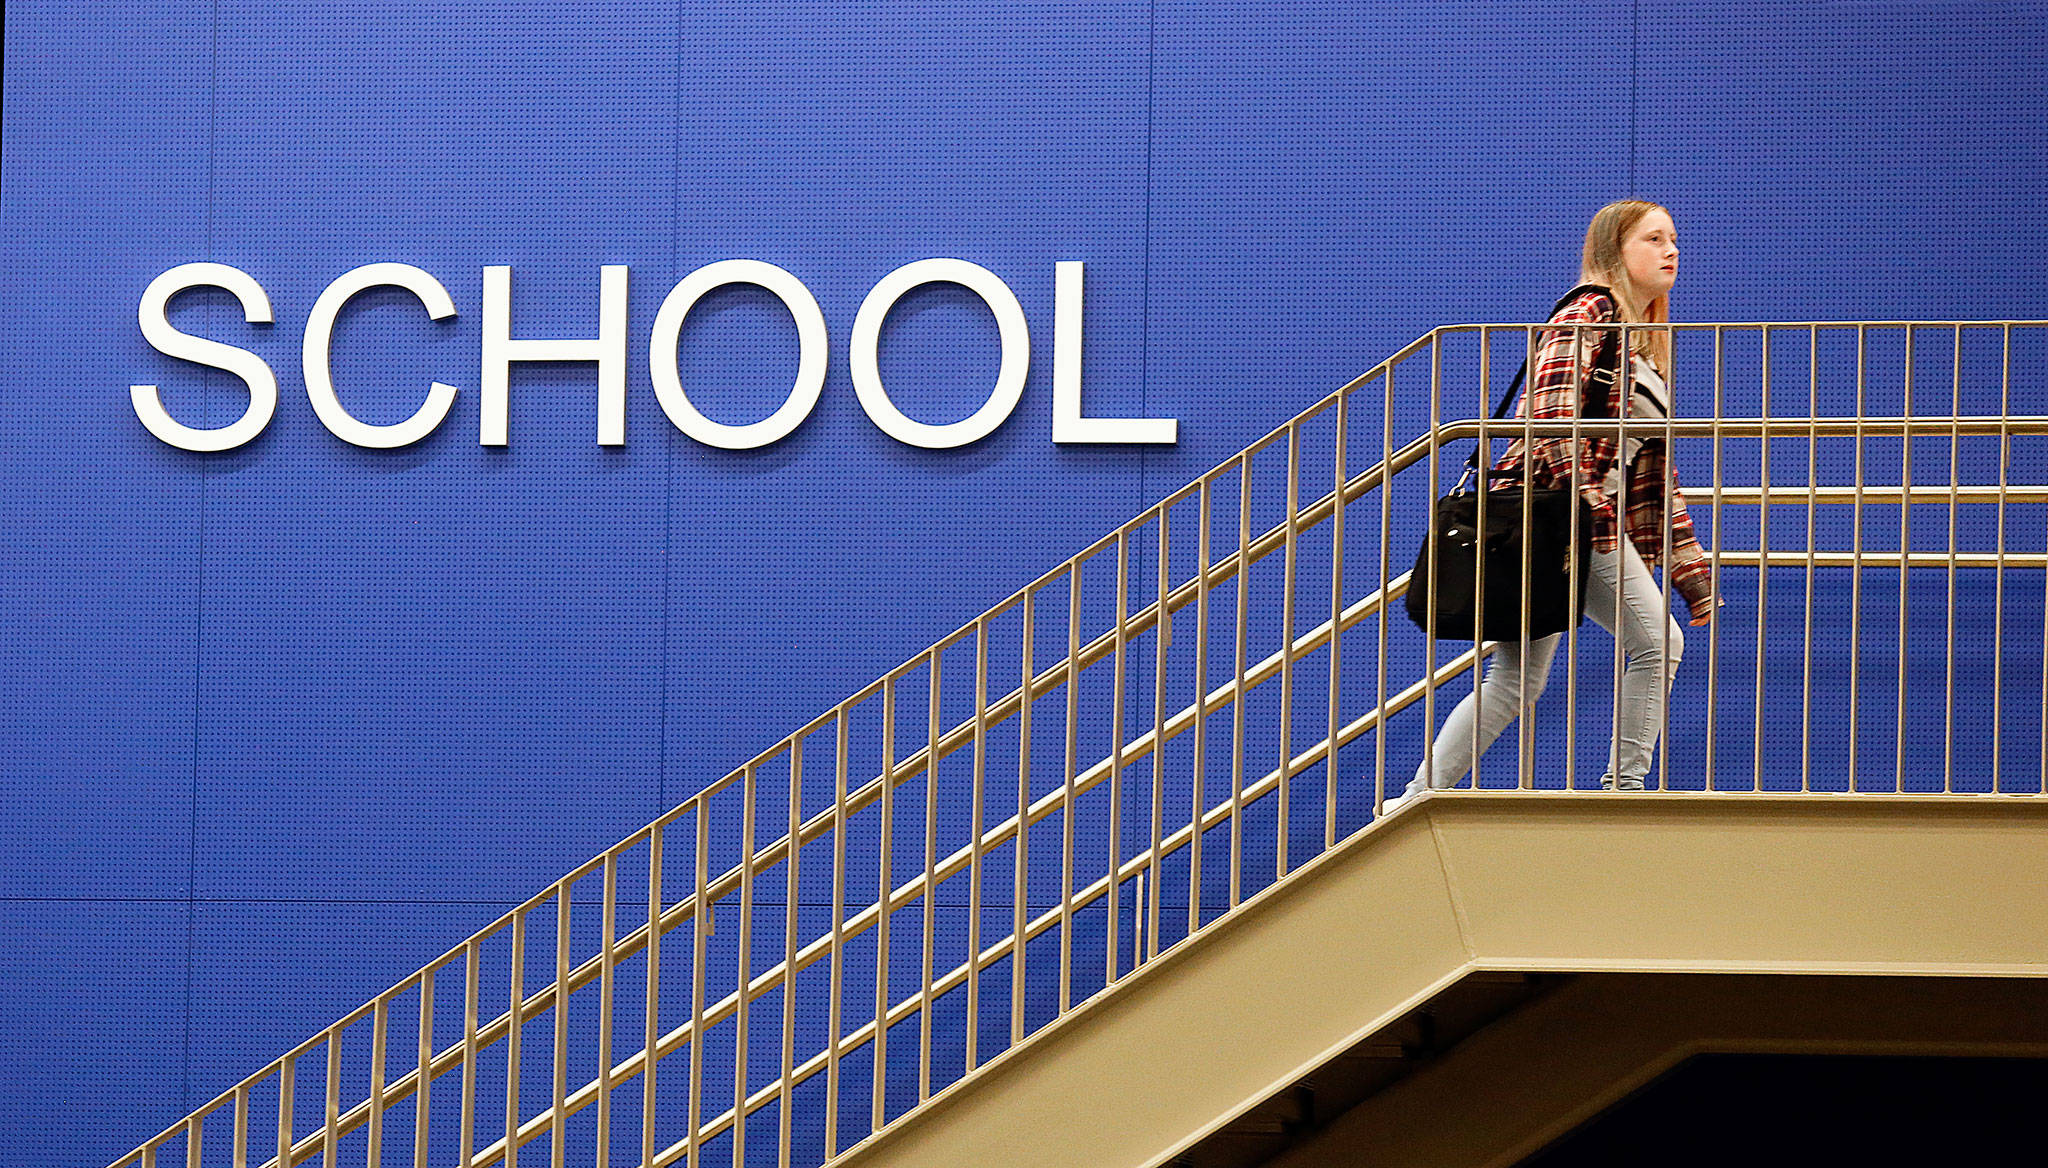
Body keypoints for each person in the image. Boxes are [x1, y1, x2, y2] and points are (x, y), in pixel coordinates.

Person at [1397, 200, 1719, 803]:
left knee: (1516, 680)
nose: (1671, 250)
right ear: (1614, 251)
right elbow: (1548, 417)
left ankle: (1419, 795)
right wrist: (1590, 507)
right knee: (1656, 644)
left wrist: (1689, 569)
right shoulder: (1588, 313)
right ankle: (1623, 792)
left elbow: (1655, 472)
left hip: (1576, 519)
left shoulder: (1644, 337)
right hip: (1562, 518)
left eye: (1674, 238)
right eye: (1653, 239)